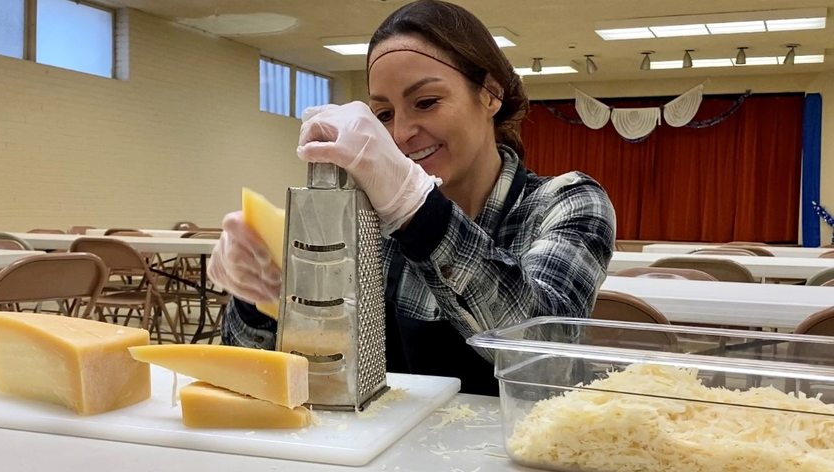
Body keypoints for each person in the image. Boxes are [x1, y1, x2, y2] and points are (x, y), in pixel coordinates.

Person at [208, 0, 616, 396]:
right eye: (384, 115)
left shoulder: (568, 202)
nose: (401, 134)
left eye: (426, 102)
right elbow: (275, 373)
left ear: (490, 93)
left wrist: (416, 211)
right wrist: (256, 295)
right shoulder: (368, 224)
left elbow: (542, 354)